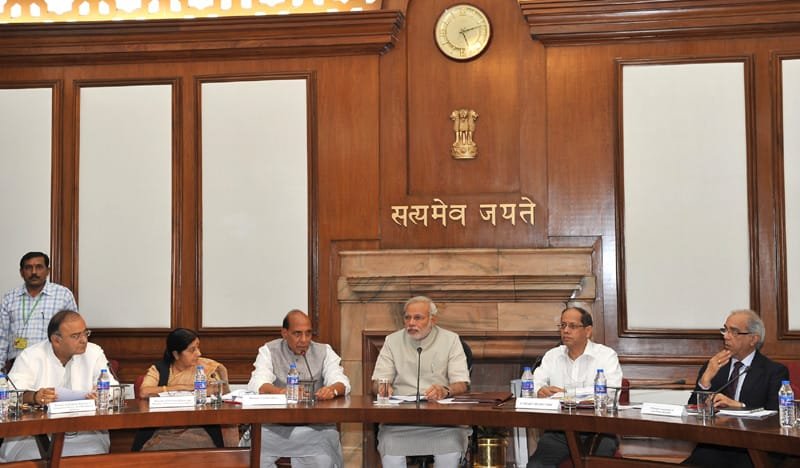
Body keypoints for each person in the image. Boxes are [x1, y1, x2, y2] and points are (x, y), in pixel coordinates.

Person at [0, 310, 115, 462]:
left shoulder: (94, 353)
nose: (84, 340)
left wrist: (100, 394)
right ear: (56, 340)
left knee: (92, 456)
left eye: (85, 333)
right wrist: (34, 396)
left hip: (85, 434)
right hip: (32, 437)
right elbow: (10, 395)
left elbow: (113, 388)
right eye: (76, 336)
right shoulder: (31, 356)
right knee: (33, 458)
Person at [371, 296, 471, 468]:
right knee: (390, 447)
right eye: (407, 317)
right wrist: (382, 388)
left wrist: (445, 390)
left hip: (443, 422)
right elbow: (377, 382)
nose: (411, 323)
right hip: (400, 421)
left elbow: (462, 384)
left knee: (450, 450)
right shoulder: (392, 341)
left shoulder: (451, 340)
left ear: (433, 320)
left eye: (418, 318)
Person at [682, 310, 789, 468]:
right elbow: (693, 410)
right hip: (717, 445)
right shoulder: (713, 366)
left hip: (755, 448)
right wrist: (705, 381)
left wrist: (740, 407)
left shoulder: (773, 371)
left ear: (753, 339)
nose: (726, 336)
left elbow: (778, 417)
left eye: (734, 331)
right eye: (725, 329)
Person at [247, 309, 350, 468]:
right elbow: (257, 383)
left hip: (315, 428)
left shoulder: (324, 351)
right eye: (297, 334)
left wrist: (332, 390)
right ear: (284, 333)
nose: (304, 340)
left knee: (322, 458)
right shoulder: (268, 350)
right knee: (255, 454)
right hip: (275, 427)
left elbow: (341, 381)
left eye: (308, 334)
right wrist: (282, 392)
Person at [528, 306, 622, 468]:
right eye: (563, 326)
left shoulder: (606, 356)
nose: (566, 330)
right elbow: (534, 383)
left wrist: (567, 395)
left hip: (598, 431)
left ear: (588, 331)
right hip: (560, 432)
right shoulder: (552, 356)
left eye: (572, 326)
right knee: (536, 465)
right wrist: (539, 390)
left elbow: (611, 393)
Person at [133, 328, 235, 451]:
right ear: (176, 354)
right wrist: (181, 387)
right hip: (162, 428)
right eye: (192, 350)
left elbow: (215, 390)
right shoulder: (159, 369)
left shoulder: (206, 367)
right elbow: (144, 392)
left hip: (199, 427)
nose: (198, 353)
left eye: (198, 347)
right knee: (156, 450)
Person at [0, 252, 78, 372]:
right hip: (18, 366)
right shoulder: (9, 298)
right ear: (21, 272)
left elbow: (74, 333)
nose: (34, 272)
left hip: (53, 366)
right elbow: (2, 337)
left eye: (39, 267)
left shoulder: (63, 295)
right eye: (28, 268)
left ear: (48, 271)